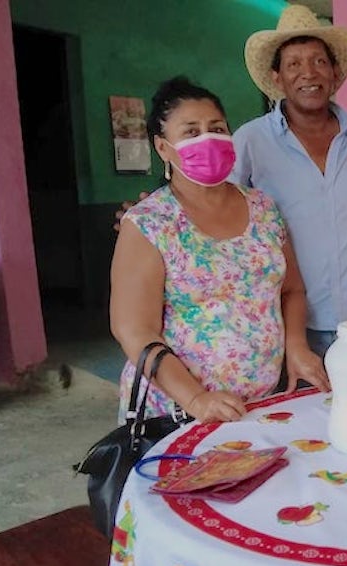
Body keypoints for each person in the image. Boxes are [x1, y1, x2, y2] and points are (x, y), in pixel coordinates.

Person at [110, 76, 328, 424]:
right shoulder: (149, 224)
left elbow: (292, 289)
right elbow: (135, 331)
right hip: (178, 413)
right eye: (191, 131)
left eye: (217, 128)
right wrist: (196, 399)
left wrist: (297, 347)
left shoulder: (263, 209)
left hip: (262, 405)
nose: (207, 139)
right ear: (163, 148)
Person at [236, 3, 347, 357]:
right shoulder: (250, 143)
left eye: (319, 61)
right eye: (294, 64)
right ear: (277, 78)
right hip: (288, 330)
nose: (308, 73)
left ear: (334, 73)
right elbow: (215, 205)